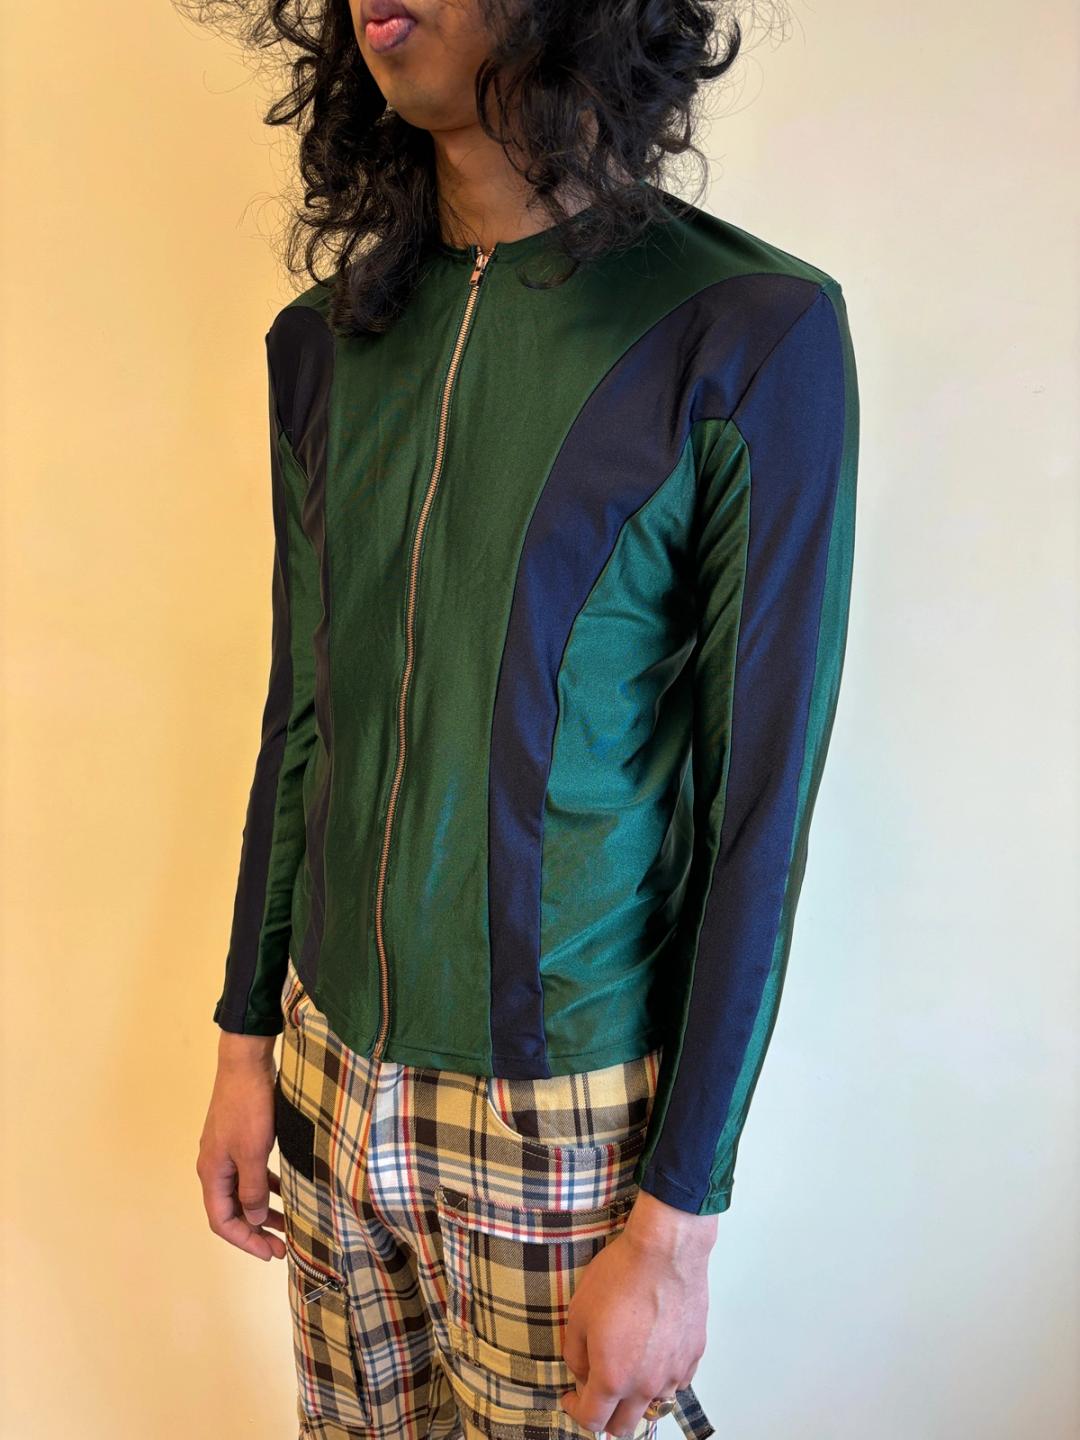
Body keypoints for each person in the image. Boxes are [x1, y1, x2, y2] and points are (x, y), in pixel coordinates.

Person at [193, 1, 859, 1437]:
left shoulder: (746, 331)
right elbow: (301, 712)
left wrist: (677, 1225)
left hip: (559, 1119)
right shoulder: (321, 345)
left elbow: (757, 809)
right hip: (326, 1072)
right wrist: (248, 1042)